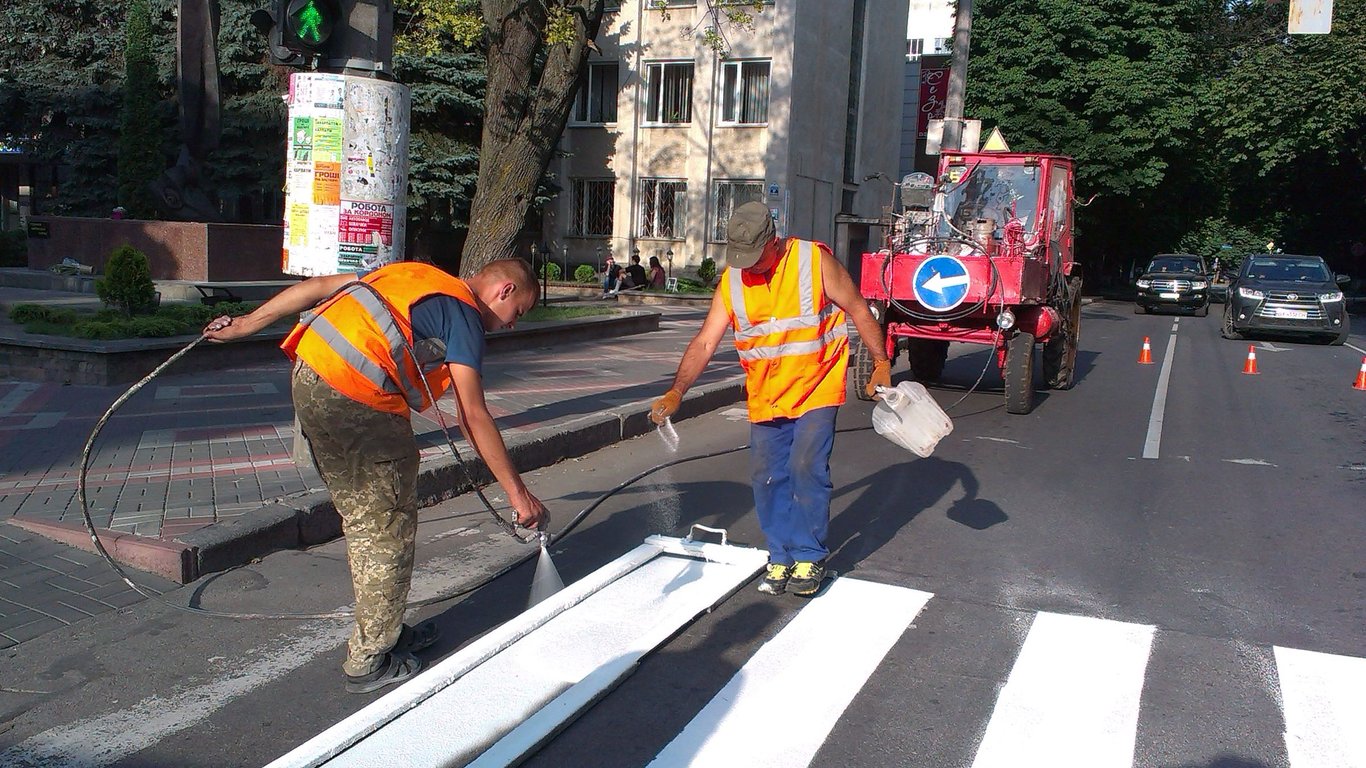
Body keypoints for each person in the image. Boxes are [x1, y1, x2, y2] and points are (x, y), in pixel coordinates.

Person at [203, 258, 550, 693]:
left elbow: (316, 286)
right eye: (518, 313)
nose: (513, 325)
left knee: (369, 517)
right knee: (385, 525)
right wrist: (518, 496)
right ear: (504, 291)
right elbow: (472, 413)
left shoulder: (414, 275)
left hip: (311, 378)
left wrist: (245, 325)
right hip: (356, 399)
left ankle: (385, 627)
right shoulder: (464, 315)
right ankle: (368, 659)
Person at [648, 202, 890, 597]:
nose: (748, 267)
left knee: (807, 465)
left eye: (755, 258)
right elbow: (706, 341)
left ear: (773, 242)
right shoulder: (732, 282)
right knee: (766, 475)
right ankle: (780, 555)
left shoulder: (814, 261)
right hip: (767, 393)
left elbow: (859, 309)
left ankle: (809, 553)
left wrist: (880, 362)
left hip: (817, 384)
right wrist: (677, 390)